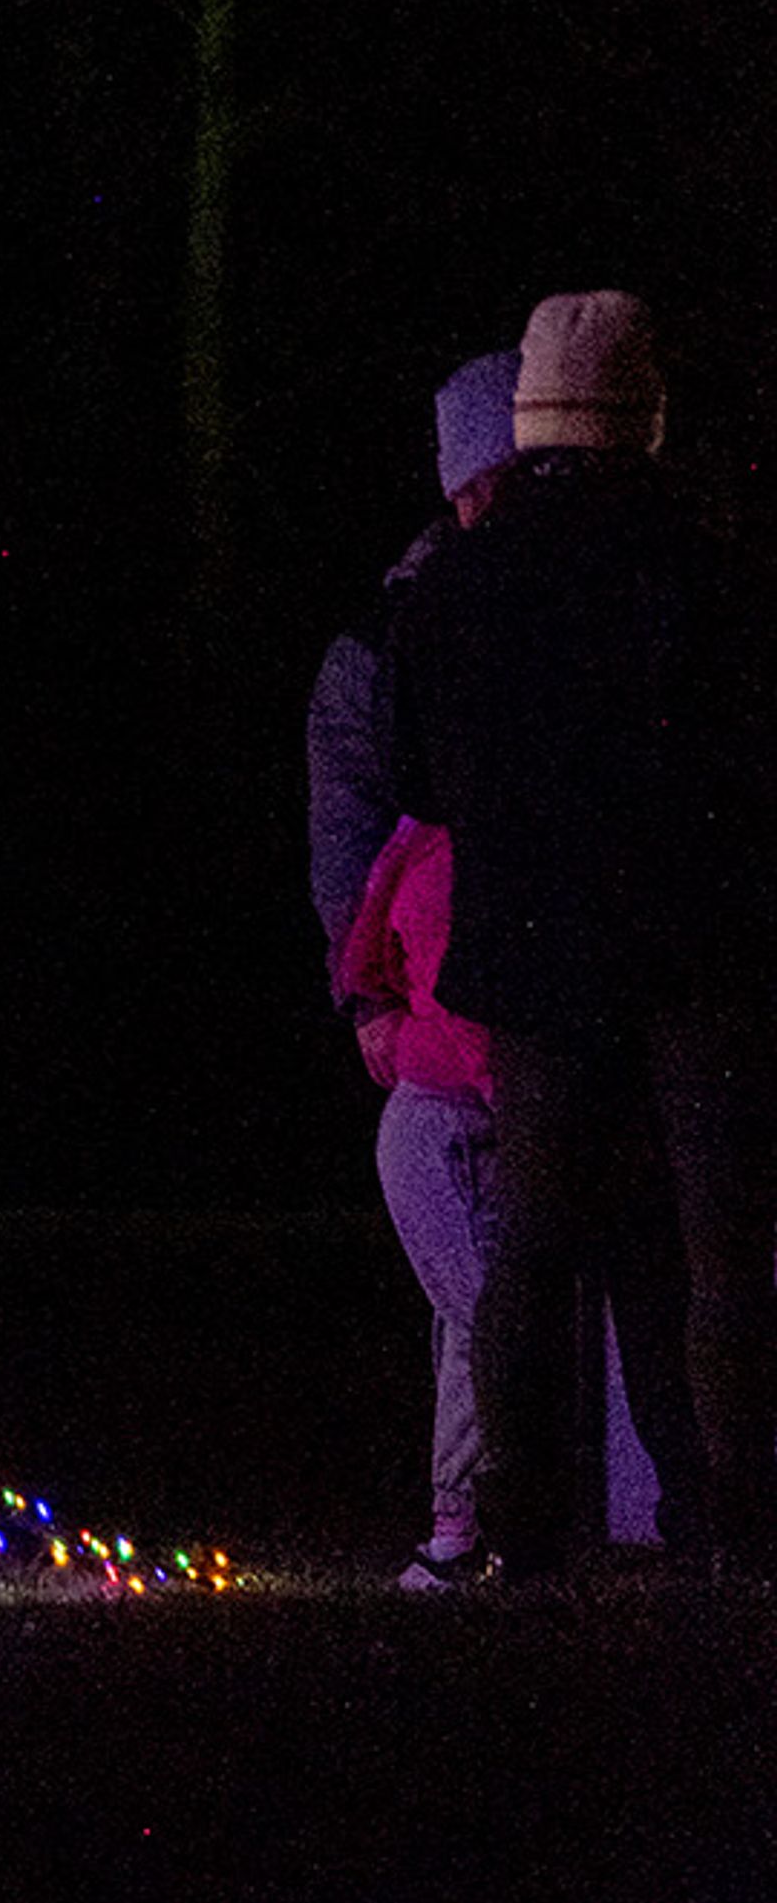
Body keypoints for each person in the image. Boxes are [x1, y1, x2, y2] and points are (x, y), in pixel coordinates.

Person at [390, 288, 774, 1576]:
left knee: (533, 1237)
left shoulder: (464, 579)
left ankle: (521, 1523)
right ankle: (733, 1517)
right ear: (644, 410)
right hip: (691, 936)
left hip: (533, 938)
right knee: (716, 1237)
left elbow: (427, 777)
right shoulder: (699, 559)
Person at [308, 350, 522, 1580]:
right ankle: (474, 1520)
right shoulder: (395, 652)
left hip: (498, 1036)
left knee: (493, 1298)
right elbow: (357, 843)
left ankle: (478, 1523)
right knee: (486, 1297)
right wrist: (366, 995)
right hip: (450, 1054)